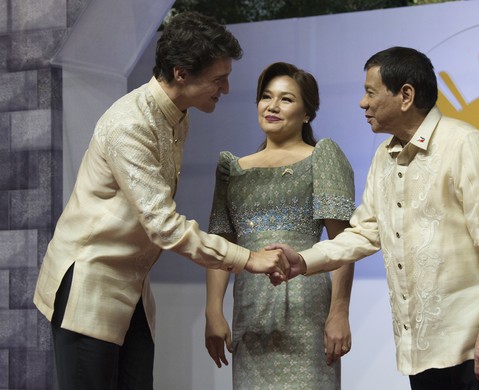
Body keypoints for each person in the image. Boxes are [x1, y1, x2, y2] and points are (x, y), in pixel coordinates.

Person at [33, 12, 288, 390]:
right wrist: (248, 258)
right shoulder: (130, 124)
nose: (227, 89)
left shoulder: (177, 115)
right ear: (181, 73)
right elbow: (164, 226)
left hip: (131, 286)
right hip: (89, 283)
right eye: (219, 79)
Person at [270, 47, 479, 390]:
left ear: (406, 95)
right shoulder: (384, 156)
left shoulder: (465, 144)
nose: (363, 103)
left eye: (370, 92)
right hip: (421, 347)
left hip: (475, 344)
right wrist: (302, 260)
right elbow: (364, 232)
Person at [204, 62, 356, 389]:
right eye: (266, 97)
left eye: (286, 99)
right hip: (251, 311)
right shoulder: (231, 168)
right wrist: (213, 310)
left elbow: (344, 244)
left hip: (308, 312)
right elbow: (221, 245)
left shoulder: (323, 157)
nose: (272, 106)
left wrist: (339, 312)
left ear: (306, 113)